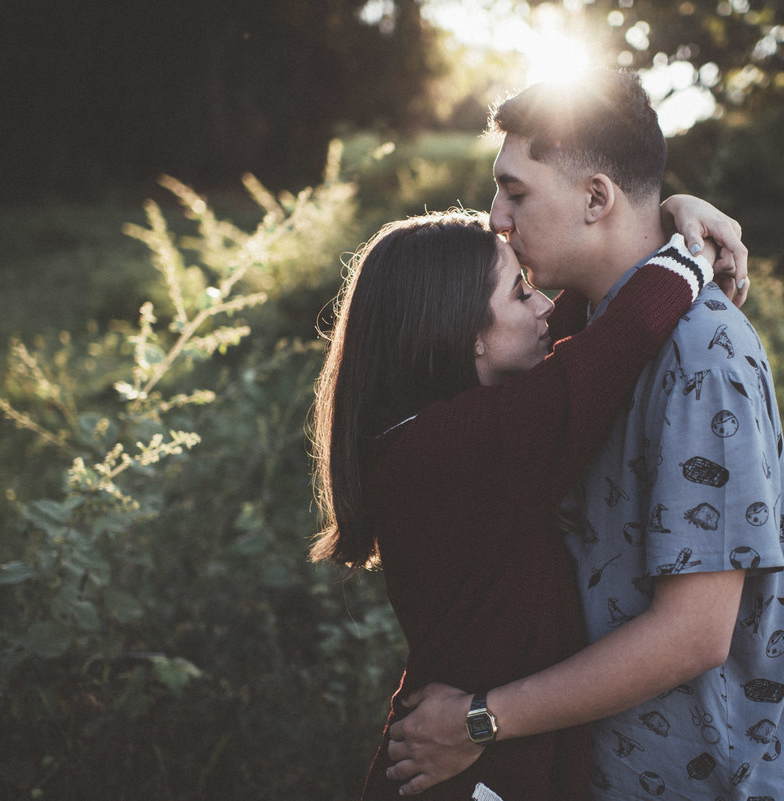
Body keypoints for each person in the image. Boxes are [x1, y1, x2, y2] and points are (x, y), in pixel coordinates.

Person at [385, 70, 784, 801]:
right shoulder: (585, 333)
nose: (495, 217)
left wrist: (478, 721)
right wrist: (677, 215)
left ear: (596, 198)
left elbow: (694, 634)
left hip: (730, 781)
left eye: (515, 191)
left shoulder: (700, 355)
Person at [310, 199, 743, 799]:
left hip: (469, 754)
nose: (543, 305)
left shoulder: (428, 435)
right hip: (472, 771)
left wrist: (662, 215)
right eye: (519, 292)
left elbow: (576, 323)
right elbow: (620, 337)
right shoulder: (456, 447)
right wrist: (691, 250)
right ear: (462, 331)